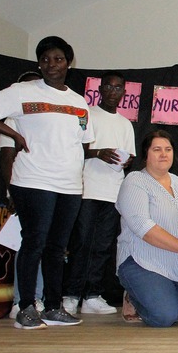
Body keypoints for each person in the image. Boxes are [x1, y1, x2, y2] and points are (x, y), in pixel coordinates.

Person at [0, 36, 92, 330]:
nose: (51, 64)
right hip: (33, 180)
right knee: (35, 242)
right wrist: (14, 134)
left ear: (68, 63)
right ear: (39, 63)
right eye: (45, 59)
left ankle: (53, 307)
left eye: (58, 59)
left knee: (57, 247)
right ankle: (25, 308)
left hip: (70, 185)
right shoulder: (22, 91)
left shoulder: (79, 102)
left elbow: (83, 142)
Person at [115, 130, 178, 327]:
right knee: (164, 316)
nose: (163, 154)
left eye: (168, 149)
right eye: (157, 149)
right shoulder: (134, 181)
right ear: (146, 154)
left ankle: (164, 295)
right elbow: (143, 227)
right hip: (142, 261)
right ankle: (133, 296)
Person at [62, 71, 136, 317]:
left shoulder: (125, 124)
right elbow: (74, 149)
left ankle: (92, 295)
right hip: (87, 189)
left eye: (118, 88)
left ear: (124, 92)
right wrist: (98, 153)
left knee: (103, 246)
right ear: (100, 89)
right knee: (81, 243)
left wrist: (126, 161)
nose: (113, 92)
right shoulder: (88, 115)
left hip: (113, 192)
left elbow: (130, 155)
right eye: (109, 87)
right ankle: (71, 295)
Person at [0, 71, 45, 320]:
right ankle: (21, 300)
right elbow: (7, 158)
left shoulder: (48, 116)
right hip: (24, 189)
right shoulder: (12, 119)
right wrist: (12, 192)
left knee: (46, 246)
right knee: (28, 246)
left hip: (49, 188)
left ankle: (40, 297)